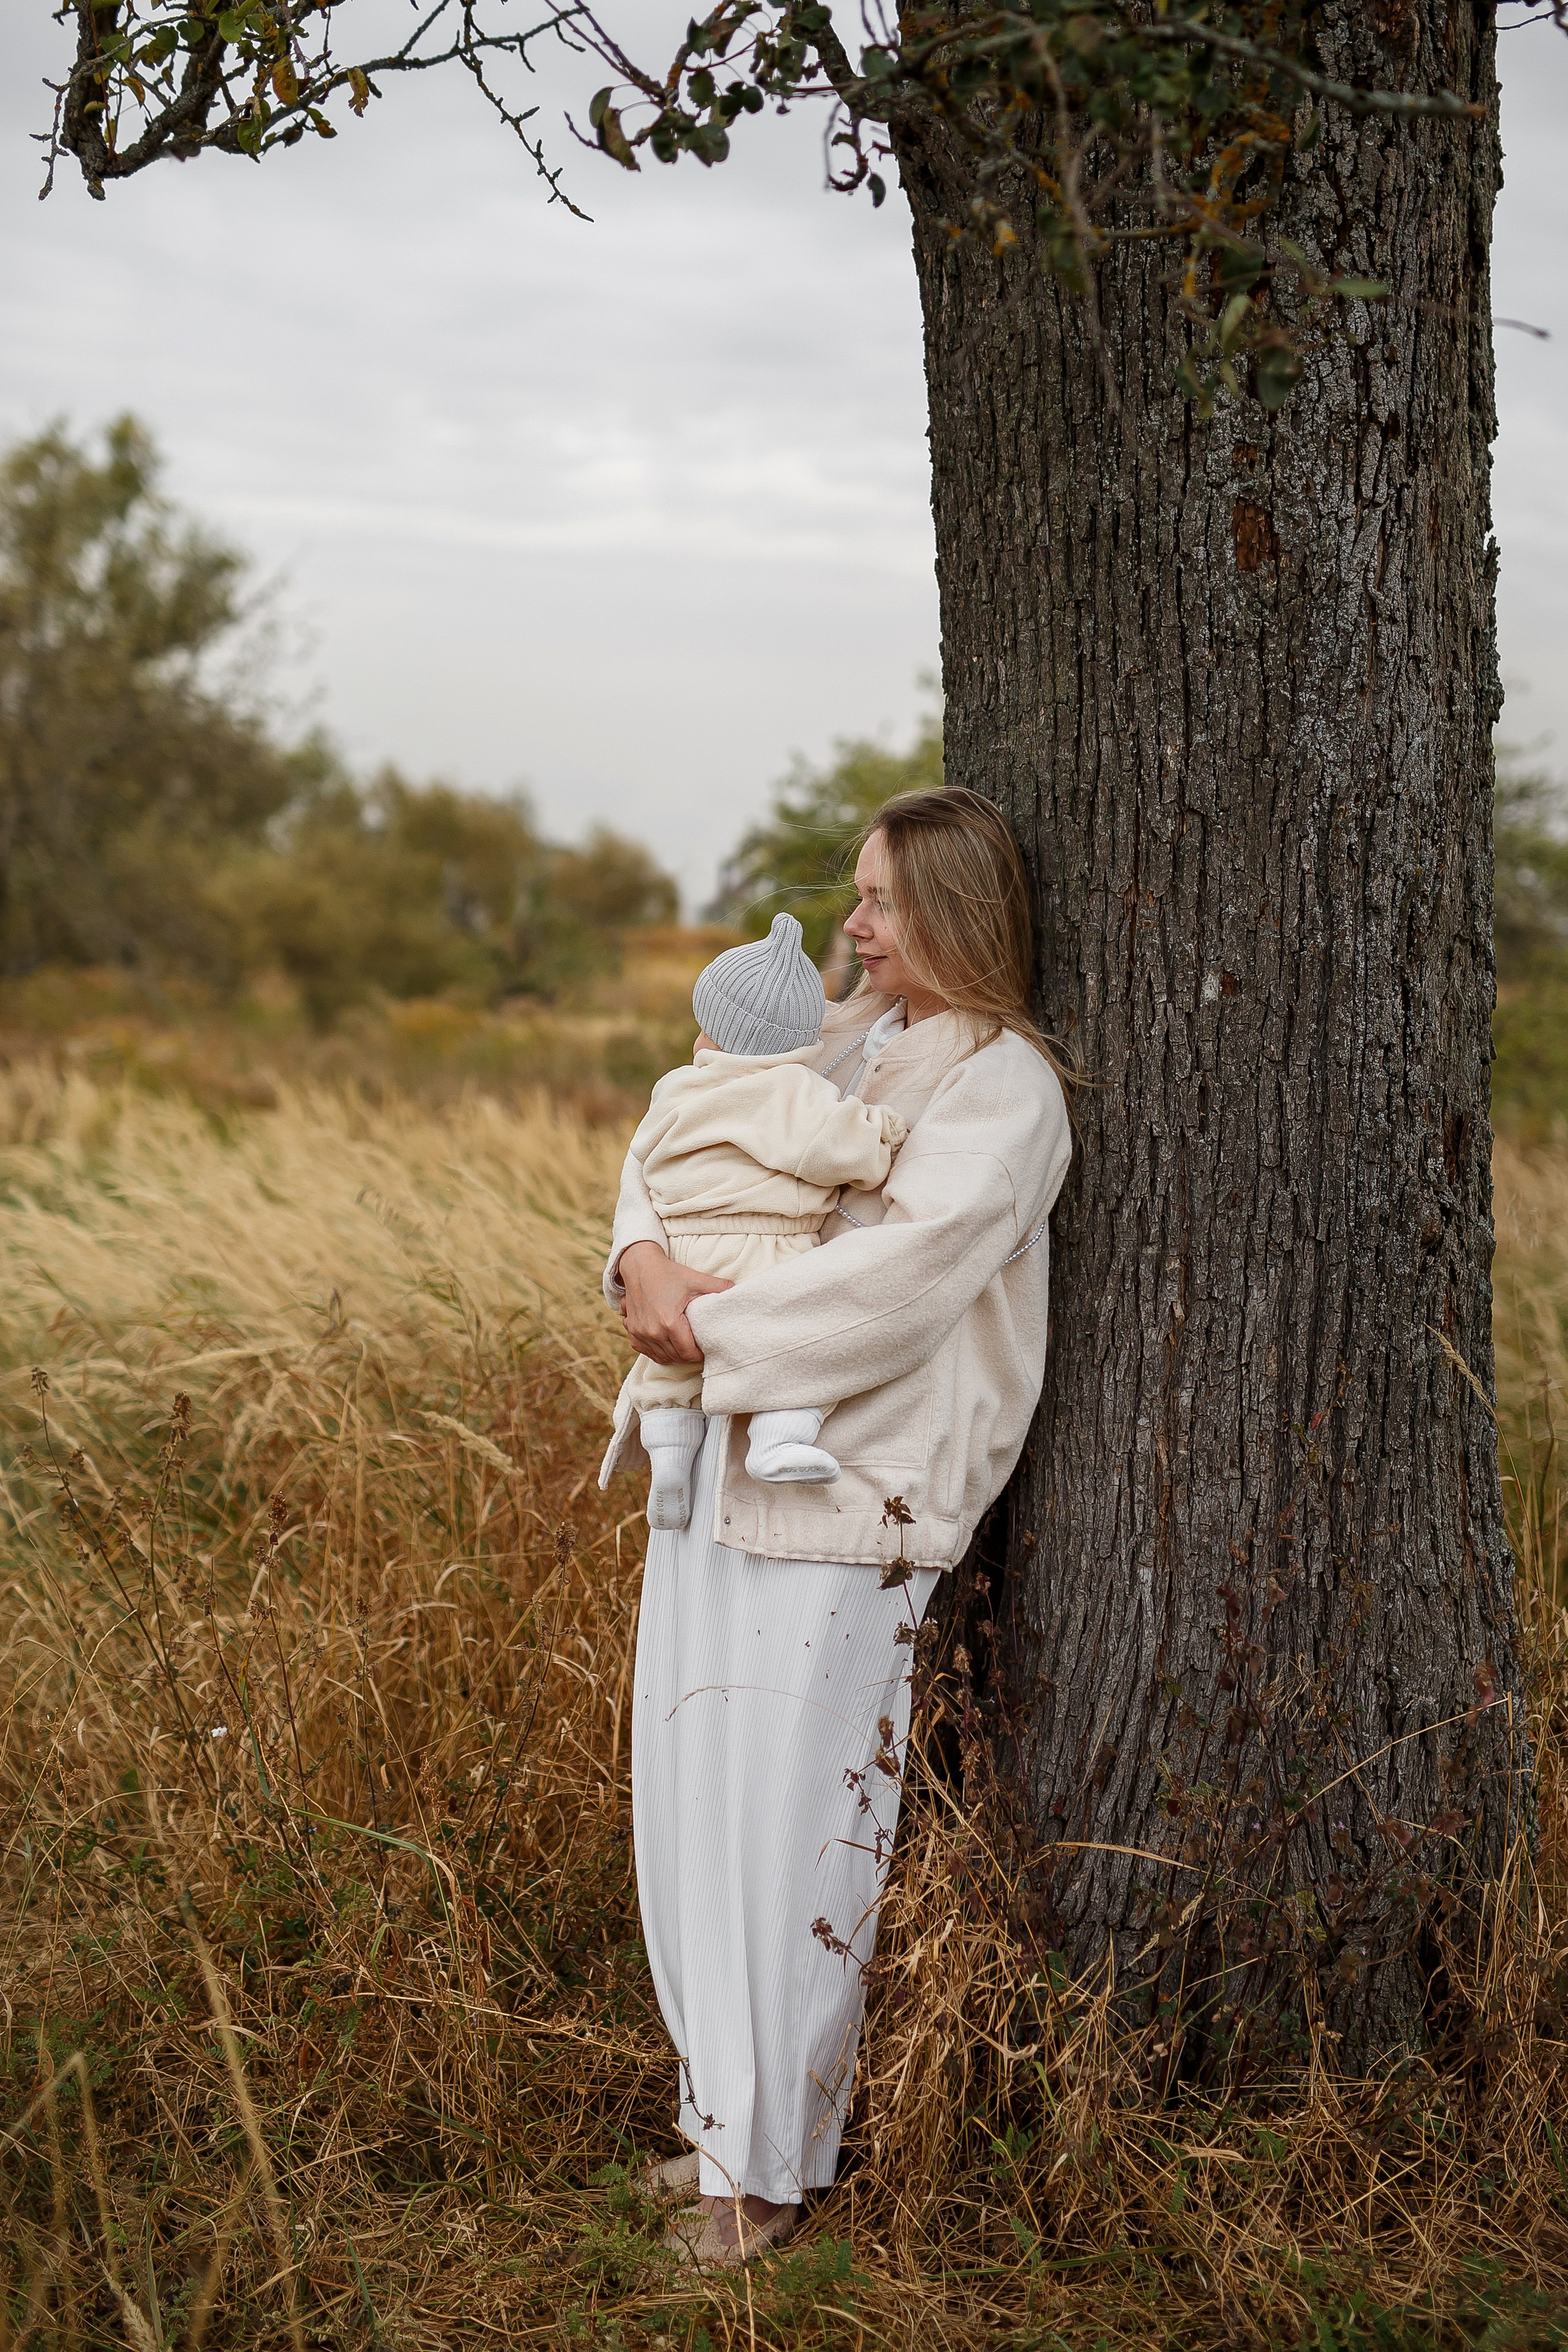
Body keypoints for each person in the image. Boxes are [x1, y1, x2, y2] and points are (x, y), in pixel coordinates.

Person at [604, 787, 1074, 2265]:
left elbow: (895, 1289)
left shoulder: (1002, 1087)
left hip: (847, 1493)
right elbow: (676, 1126)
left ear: (951, 913)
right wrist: (634, 1258)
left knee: (796, 1830)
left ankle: (770, 2169)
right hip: (713, 1466)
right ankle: (711, 2122)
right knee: (688, 1794)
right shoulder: (836, 1043)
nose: (851, 925)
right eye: (855, 896)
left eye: (877, 901)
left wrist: (695, 1325)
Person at [598, 910, 910, 1529]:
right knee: (791, 1353)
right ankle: (777, 1441)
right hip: (766, 1256)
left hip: (683, 1256)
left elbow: (642, 1163)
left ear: (711, 1034)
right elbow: (848, 1154)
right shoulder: (795, 1094)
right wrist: (884, 1127)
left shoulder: (675, 1092)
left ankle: (668, 1467)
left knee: (671, 1371)